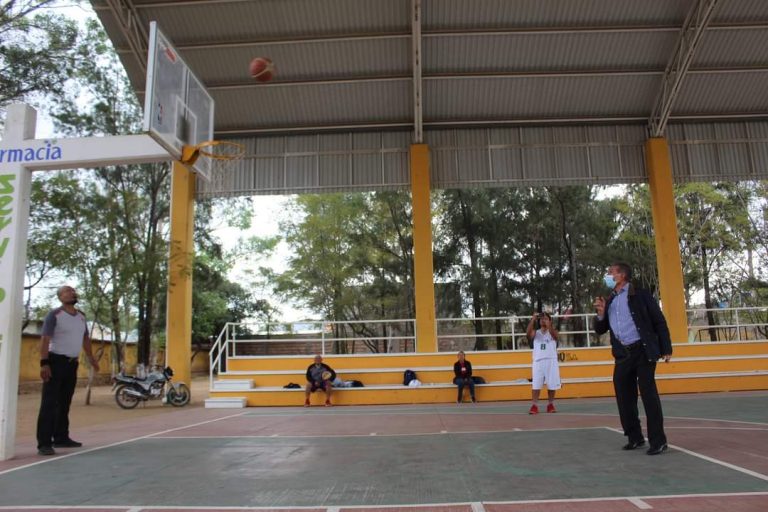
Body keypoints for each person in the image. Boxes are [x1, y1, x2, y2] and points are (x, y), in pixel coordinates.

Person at [593, 262, 673, 455]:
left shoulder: (641, 295)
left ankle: (658, 441)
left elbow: (658, 321)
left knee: (648, 395)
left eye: (610, 272)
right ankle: (634, 437)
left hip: (643, 350)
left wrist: (666, 347)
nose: (608, 275)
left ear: (622, 276)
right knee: (624, 396)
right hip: (622, 353)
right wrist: (601, 313)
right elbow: (600, 329)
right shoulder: (610, 300)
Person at [36, 286, 99, 456]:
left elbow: (85, 338)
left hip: (72, 364)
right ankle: (44, 443)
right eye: (66, 291)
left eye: (72, 291)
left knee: (64, 402)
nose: (71, 293)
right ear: (60, 297)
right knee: (49, 403)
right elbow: (45, 339)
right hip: (55, 362)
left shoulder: (81, 317)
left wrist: (91, 358)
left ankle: (61, 437)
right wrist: (44, 363)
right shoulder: (54, 315)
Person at [526, 312, 561, 414]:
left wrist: (548, 325)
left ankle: (550, 404)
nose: (543, 320)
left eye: (546, 319)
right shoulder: (536, 333)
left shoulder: (553, 332)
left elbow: (555, 335)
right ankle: (534, 405)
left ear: (550, 321)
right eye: (541, 319)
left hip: (551, 361)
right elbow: (528, 333)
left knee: (552, 385)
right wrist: (533, 319)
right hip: (538, 361)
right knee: (536, 385)